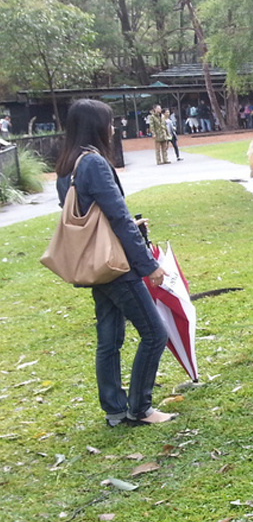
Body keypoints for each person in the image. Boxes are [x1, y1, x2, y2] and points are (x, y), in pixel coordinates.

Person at [54, 99, 175, 427]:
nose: (114, 129)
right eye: (110, 123)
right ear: (96, 126)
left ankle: (114, 409)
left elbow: (91, 218)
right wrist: (149, 266)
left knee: (109, 340)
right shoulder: (93, 163)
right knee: (154, 334)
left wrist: (130, 228)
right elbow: (118, 218)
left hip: (95, 266)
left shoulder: (67, 166)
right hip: (117, 266)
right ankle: (140, 408)